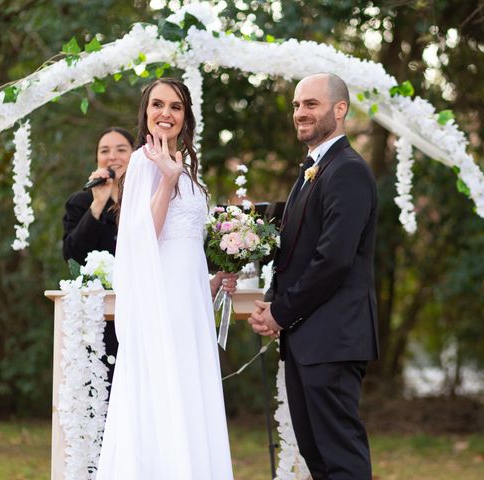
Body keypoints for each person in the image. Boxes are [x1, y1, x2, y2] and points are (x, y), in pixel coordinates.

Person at [96, 78, 235, 479]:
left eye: (175, 107)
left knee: (190, 395)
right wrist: (168, 178)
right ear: (145, 113)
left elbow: (184, 244)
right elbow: (143, 236)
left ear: (185, 116)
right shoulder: (143, 162)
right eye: (158, 105)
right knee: (163, 394)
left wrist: (209, 282)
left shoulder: (186, 166)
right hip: (160, 302)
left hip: (188, 301)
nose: (166, 114)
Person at [248, 73, 379, 480]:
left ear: (339, 110)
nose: (300, 113)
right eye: (296, 105)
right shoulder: (313, 170)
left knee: (340, 458)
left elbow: (333, 260)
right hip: (309, 340)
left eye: (311, 104)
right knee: (317, 458)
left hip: (334, 340)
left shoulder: (348, 171)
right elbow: (294, 252)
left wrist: (282, 313)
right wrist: (272, 299)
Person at [62, 127, 135, 386]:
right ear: (97, 160)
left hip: (139, 306)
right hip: (98, 312)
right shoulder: (80, 202)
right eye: (105, 151)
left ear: (135, 155)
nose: (112, 156)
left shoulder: (148, 199)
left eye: (121, 150)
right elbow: (72, 254)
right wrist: (98, 203)